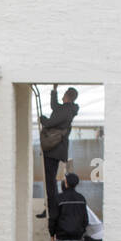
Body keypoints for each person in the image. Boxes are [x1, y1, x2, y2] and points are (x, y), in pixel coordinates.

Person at [39, 85, 79, 218]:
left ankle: (52, 210)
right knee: (50, 181)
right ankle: (50, 209)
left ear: (68, 96)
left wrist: (42, 119)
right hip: (56, 149)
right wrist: (54, 91)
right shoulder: (66, 109)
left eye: (64, 94)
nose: (63, 96)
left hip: (53, 149)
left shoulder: (66, 110)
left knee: (50, 181)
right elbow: (54, 106)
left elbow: (51, 122)